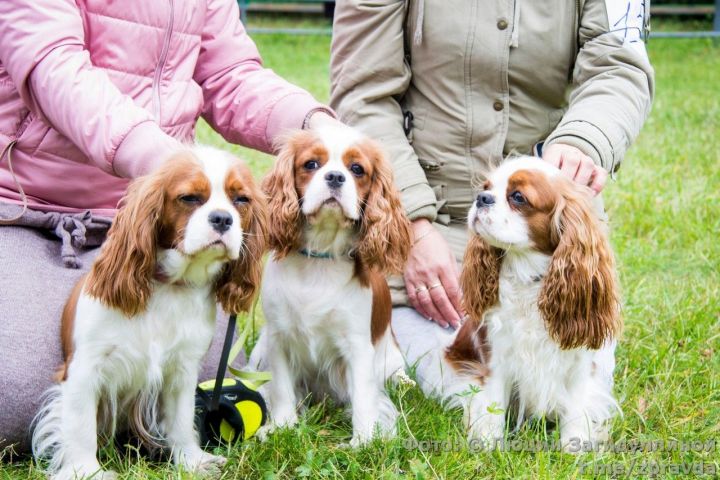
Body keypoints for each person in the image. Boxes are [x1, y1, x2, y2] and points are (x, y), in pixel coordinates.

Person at [0, 0, 339, 453]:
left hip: (168, 229)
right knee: (16, 397)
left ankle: (140, 424)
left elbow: (231, 74)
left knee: (205, 382)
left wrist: (315, 128)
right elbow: (53, 66)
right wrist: (167, 166)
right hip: (27, 209)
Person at [330, 0, 654, 337]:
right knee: (450, 378)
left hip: (546, 234)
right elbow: (362, 94)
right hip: (433, 224)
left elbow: (618, 66)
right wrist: (412, 228)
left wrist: (582, 140)